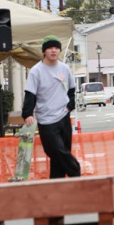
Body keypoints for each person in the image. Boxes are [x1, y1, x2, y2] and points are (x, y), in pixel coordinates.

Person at [22, 35, 81, 179]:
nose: (53, 51)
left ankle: (57, 183)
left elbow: (72, 89)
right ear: (44, 51)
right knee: (55, 150)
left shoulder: (64, 68)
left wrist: (71, 104)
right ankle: (75, 171)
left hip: (63, 115)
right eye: (50, 48)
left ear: (60, 50)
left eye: (56, 48)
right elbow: (30, 94)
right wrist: (27, 113)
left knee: (60, 155)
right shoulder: (36, 71)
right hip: (46, 118)